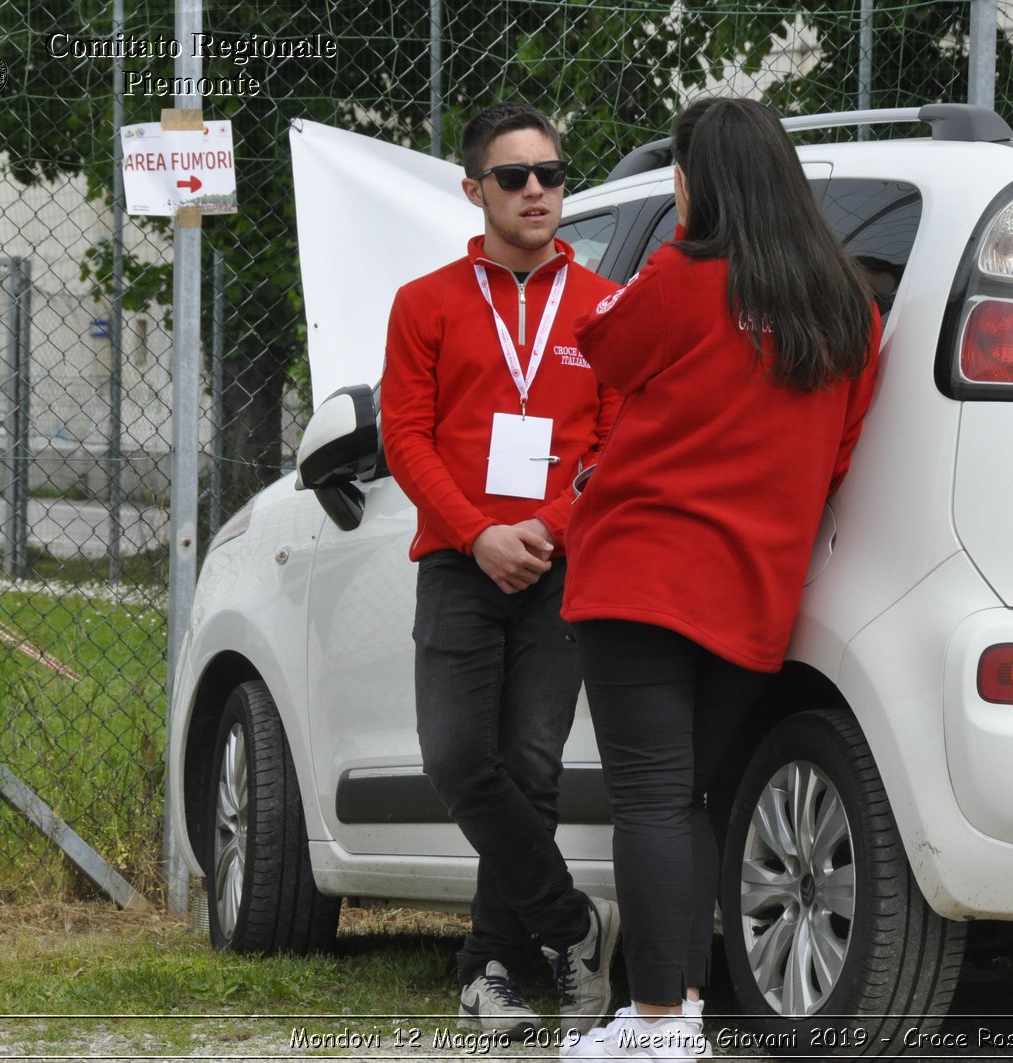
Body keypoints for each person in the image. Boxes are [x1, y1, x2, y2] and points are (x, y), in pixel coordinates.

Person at [557, 97, 881, 1060]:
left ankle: (657, 1025)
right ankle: (679, 1012)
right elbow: (840, 453)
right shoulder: (849, 309)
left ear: (698, 184)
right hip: (755, 593)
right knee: (687, 796)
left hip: (641, 574)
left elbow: (604, 351)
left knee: (651, 799)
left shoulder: (682, 275)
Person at [380, 101, 622, 1038]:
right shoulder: (426, 303)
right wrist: (479, 532)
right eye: (514, 176)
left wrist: (548, 530)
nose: (535, 191)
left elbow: (611, 443)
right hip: (456, 560)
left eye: (552, 175)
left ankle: (488, 971)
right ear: (474, 188)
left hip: (561, 567)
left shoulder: (605, 306)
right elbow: (405, 436)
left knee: (531, 766)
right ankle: (573, 924)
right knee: (455, 760)